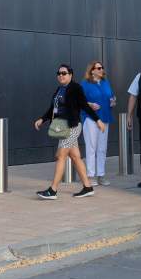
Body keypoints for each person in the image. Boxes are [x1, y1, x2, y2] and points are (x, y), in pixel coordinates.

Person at [34, 64, 106, 199]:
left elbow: (84, 105)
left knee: (61, 155)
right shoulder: (59, 90)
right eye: (59, 73)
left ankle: (53, 190)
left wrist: (98, 120)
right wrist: (42, 119)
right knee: (75, 157)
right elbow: (52, 109)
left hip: (72, 127)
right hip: (62, 127)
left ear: (70, 75)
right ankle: (87, 187)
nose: (61, 75)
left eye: (64, 73)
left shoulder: (75, 88)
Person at [80, 61, 116, 186]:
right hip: (90, 119)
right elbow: (80, 101)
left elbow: (112, 96)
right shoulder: (85, 84)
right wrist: (90, 105)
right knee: (91, 147)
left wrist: (113, 101)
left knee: (102, 148)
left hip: (105, 118)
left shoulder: (106, 83)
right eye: (99, 68)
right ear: (92, 71)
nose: (101, 70)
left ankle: (101, 175)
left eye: (102, 68)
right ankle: (90, 176)